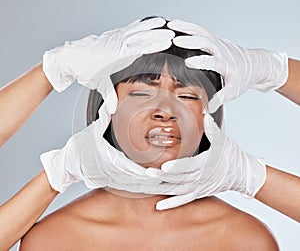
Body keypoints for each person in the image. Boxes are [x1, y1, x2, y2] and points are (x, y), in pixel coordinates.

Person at [0, 16, 299, 250]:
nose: (166, 111)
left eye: (188, 96)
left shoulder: (247, 240)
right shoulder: (53, 240)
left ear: (209, 116)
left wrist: (271, 68)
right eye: (142, 94)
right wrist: (58, 170)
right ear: (107, 109)